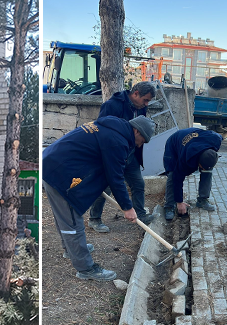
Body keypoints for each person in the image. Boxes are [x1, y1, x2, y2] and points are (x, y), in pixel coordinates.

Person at [43, 115, 156, 281]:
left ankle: (71, 249)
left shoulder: (111, 127)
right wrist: (127, 207)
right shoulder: (118, 141)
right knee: (72, 220)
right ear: (137, 131)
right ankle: (85, 268)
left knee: (65, 218)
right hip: (59, 173)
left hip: (53, 163)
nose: (140, 145)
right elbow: (115, 176)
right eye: (143, 140)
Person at [87, 81, 157, 233]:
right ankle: (94, 219)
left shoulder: (141, 108)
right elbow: (101, 129)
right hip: (112, 154)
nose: (146, 104)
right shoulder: (112, 105)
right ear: (136, 93)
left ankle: (140, 214)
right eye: (145, 99)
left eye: (148, 101)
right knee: (106, 186)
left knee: (138, 183)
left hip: (131, 154)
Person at [162, 127, 223, 221]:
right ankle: (169, 206)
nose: (202, 169)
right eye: (201, 167)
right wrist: (179, 201)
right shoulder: (185, 158)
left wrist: (207, 166)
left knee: (208, 172)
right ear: (198, 162)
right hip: (174, 144)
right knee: (172, 174)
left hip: (196, 138)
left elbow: (218, 136)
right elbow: (177, 179)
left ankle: (202, 200)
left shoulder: (215, 140)